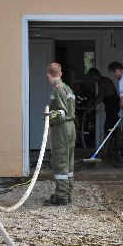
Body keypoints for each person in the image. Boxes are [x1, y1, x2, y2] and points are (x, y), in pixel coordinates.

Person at [43, 63, 75, 206]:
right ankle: (67, 193)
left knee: (61, 160)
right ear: (60, 74)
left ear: (48, 75)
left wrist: (50, 114)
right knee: (68, 161)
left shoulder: (57, 89)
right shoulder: (67, 88)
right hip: (70, 127)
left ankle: (61, 196)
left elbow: (62, 112)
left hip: (61, 128)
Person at [86, 68, 121, 161]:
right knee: (111, 128)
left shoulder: (105, 81)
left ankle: (107, 151)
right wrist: (92, 102)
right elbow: (99, 95)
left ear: (94, 75)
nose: (91, 80)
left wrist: (93, 106)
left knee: (109, 128)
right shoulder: (100, 82)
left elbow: (101, 96)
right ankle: (109, 150)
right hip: (110, 109)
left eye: (91, 78)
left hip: (114, 108)